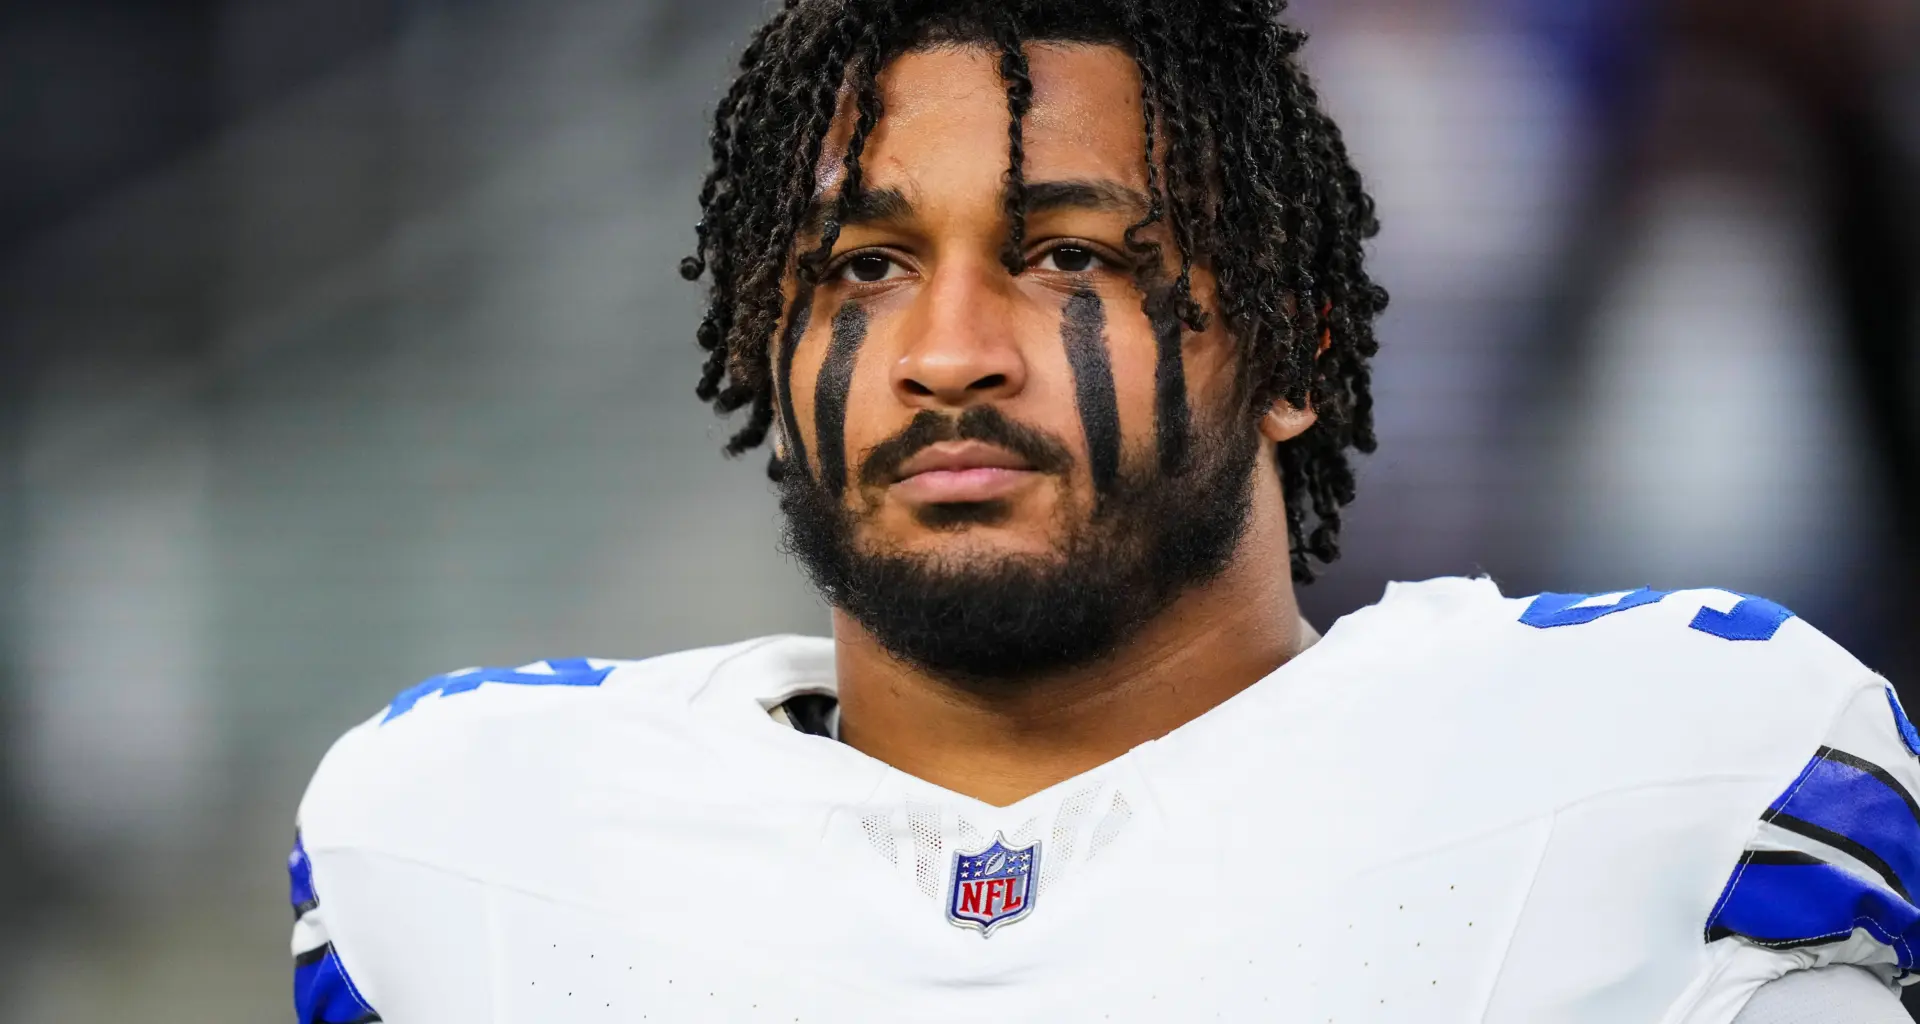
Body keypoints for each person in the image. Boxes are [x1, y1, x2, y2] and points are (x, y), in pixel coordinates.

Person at [287, 2, 1918, 1021]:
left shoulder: (1679, 766)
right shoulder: (461, 832)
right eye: (865, 267)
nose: (943, 357)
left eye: (1068, 254)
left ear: (1295, 353)